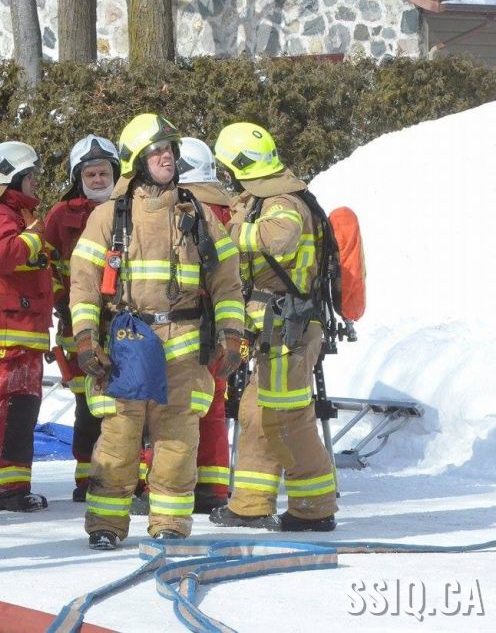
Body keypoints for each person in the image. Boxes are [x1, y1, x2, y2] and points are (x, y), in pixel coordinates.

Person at [69, 113, 244, 549]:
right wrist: (87, 338)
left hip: (184, 345)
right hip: (127, 345)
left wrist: (231, 333)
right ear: (137, 161)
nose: (166, 158)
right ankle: (106, 524)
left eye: (169, 150)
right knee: (119, 437)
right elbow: (84, 283)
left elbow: (227, 280)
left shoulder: (198, 214)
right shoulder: (108, 217)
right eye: (157, 151)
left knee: (178, 440)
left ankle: (169, 524)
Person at [209, 122, 338, 532]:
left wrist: (227, 231)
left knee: (288, 419)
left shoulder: (282, 201)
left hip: (289, 330)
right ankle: (250, 504)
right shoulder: (267, 198)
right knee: (255, 412)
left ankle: (314, 509)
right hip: (275, 329)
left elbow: (280, 237)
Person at [0, 140, 53, 512]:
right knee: (14, 409)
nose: (35, 182)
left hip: (22, 328)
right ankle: (8, 490)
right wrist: (33, 239)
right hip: (9, 330)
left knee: (14, 408)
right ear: (12, 178)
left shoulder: (11, 212)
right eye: (29, 176)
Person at [44, 135, 119, 502]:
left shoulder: (134, 209)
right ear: (79, 177)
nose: (98, 180)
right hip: (79, 324)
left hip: (126, 323)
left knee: (130, 402)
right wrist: (63, 303)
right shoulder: (61, 216)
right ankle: (88, 476)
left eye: (104, 172)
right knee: (87, 405)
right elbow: (48, 267)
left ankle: (129, 477)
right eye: (91, 174)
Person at [176, 136, 236, 513]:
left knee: (173, 405)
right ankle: (213, 487)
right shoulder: (228, 208)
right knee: (213, 402)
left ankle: (171, 483)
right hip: (221, 322)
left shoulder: (185, 208)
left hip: (186, 319)